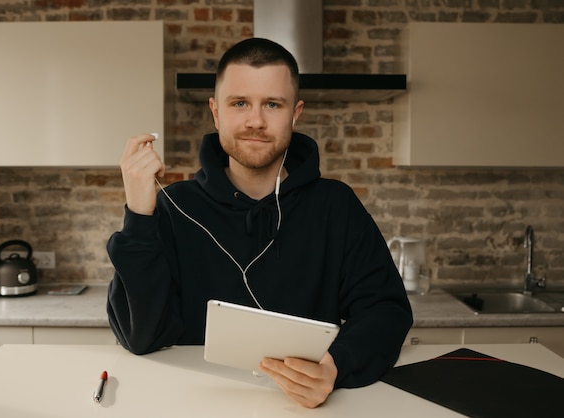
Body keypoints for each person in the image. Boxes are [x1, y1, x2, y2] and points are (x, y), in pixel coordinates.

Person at [107, 37, 413, 409]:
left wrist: (335, 366)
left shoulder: (336, 205)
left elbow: (386, 310)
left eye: (272, 104)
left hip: (302, 409)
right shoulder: (174, 206)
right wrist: (139, 215)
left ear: (295, 113)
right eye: (239, 103)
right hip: (193, 405)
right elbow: (140, 336)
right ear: (216, 112)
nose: (255, 121)